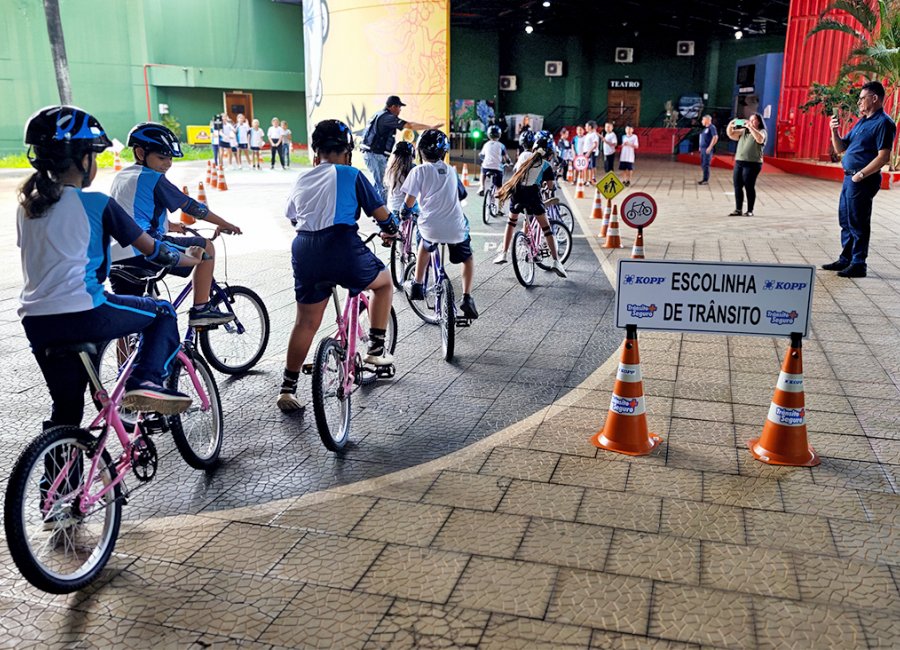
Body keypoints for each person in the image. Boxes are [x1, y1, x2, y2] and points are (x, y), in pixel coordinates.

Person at [17, 106, 204, 423]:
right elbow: (152, 250)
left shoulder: (27, 207)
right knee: (161, 312)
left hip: (37, 321)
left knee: (66, 411)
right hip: (85, 311)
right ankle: (145, 383)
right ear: (82, 160)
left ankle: (58, 471)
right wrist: (188, 258)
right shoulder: (98, 203)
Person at [277, 119, 399, 412]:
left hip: (304, 247)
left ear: (316, 153)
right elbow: (380, 213)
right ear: (347, 152)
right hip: (341, 244)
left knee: (305, 322)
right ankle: (376, 349)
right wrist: (391, 229)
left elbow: (292, 216)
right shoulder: (352, 173)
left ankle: (287, 389)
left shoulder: (303, 178)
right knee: (383, 284)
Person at [109, 122, 243, 327]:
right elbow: (192, 207)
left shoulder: (122, 176)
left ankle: (124, 359)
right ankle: (201, 309)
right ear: (140, 152)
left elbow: (133, 212)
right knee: (206, 247)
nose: (168, 163)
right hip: (144, 249)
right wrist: (226, 224)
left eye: (170, 158)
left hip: (116, 255)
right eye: (162, 157)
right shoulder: (153, 178)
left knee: (127, 324)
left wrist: (171, 226)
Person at [401, 129, 479, 320]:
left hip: (431, 226)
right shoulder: (452, 171)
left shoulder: (419, 170)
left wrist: (404, 212)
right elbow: (462, 194)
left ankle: (418, 284)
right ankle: (467, 297)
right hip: (455, 227)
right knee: (467, 258)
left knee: (425, 245)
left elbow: (409, 202)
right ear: (444, 152)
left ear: (420, 152)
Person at [823, 80, 896, 278]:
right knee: (845, 219)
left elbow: (883, 156)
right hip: (850, 178)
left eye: (863, 98)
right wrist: (833, 130)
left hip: (862, 179)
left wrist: (860, 175)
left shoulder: (884, 123)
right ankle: (845, 259)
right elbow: (841, 148)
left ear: (875, 98)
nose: (859, 102)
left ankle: (858, 263)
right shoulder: (863, 121)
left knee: (858, 221)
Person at [492, 130, 567, 278]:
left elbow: (517, 171)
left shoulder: (524, 156)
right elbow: (551, 187)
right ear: (549, 153)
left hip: (517, 193)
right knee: (547, 229)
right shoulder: (546, 166)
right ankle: (557, 262)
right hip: (532, 196)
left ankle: (504, 253)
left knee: (511, 223)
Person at [361, 95, 441, 201]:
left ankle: (377, 210)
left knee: (379, 184)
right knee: (383, 185)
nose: (400, 110)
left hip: (373, 154)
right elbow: (410, 125)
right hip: (374, 155)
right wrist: (430, 127)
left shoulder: (380, 114)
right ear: (393, 106)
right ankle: (382, 215)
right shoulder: (387, 117)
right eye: (399, 107)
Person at [726, 113, 767, 216]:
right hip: (739, 162)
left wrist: (751, 127)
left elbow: (760, 139)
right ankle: (738, 209)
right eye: (750, 119)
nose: (751, 122)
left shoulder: (762, 132)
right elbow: (731, 134)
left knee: (749, 186)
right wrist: (731, 124)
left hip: (753, 164)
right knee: (737, 186)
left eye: (754, 120)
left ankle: (750, 210)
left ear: (759, 122)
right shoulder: (744, 131)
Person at [384, 140, 417, 218]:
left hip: (391, 208)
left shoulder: (390, 169)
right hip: (405, 210)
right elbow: (412, 195)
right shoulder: (413, 169)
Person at [477, 124, 511, 200]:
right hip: (497, 168)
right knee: (499, 187)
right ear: (499, 135)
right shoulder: (501, 145)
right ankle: (499, 208)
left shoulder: (486, 144)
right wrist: (508, 162)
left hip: (487, 167)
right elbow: (506, 158)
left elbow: (482, 155)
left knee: (483, 170)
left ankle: (482, 186)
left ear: (489, 135)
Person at [697, 114, 718, 185]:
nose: (702, 121)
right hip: (703, 148)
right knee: (703, 164)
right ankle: (704, 178)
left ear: (707, 120)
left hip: (707, 149)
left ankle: (705, 180)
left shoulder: (712, 127)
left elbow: (715, 137)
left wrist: (710, 147)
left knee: (706, 164)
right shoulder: (705, 128)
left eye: (703, 120)